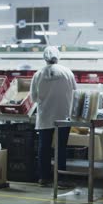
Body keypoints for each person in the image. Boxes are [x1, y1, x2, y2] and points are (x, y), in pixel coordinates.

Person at [30, 46, 77, 187]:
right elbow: (76, 92)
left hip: (45, 115)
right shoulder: (67, 72)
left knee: (44, 147)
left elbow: (33, 97)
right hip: (64, 115)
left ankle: (44, 177)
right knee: (61, 147)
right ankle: (61, 178)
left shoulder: (38, 74)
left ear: (44, 58)